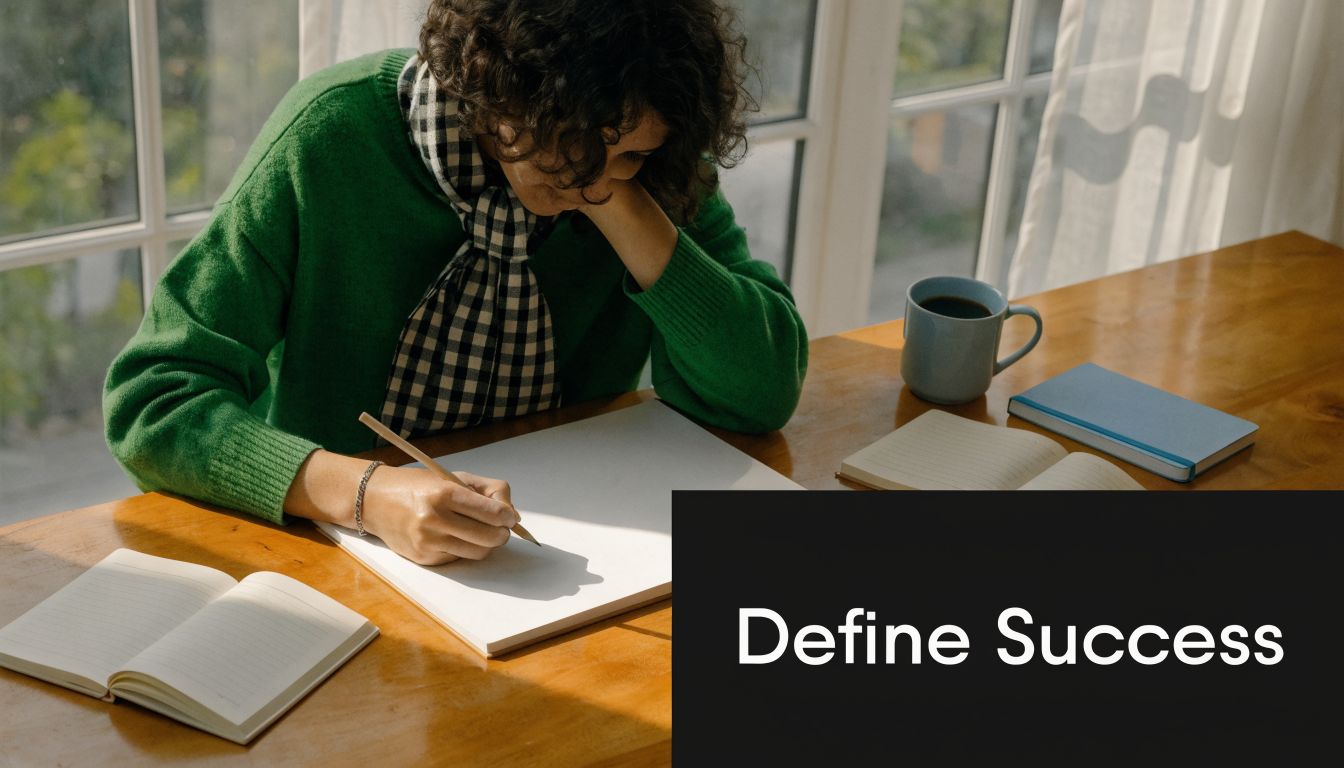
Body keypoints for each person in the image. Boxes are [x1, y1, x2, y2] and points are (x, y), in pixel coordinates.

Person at [103, 0, 807, 566]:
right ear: (505, 82)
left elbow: (761, 391)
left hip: (568, 556)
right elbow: (154, 399)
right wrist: (366, 494)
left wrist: (622, 200)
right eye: (577, 137)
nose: (596, 175)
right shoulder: (330, 136)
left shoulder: (647, 171)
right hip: (332, 556)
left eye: (629, 152)